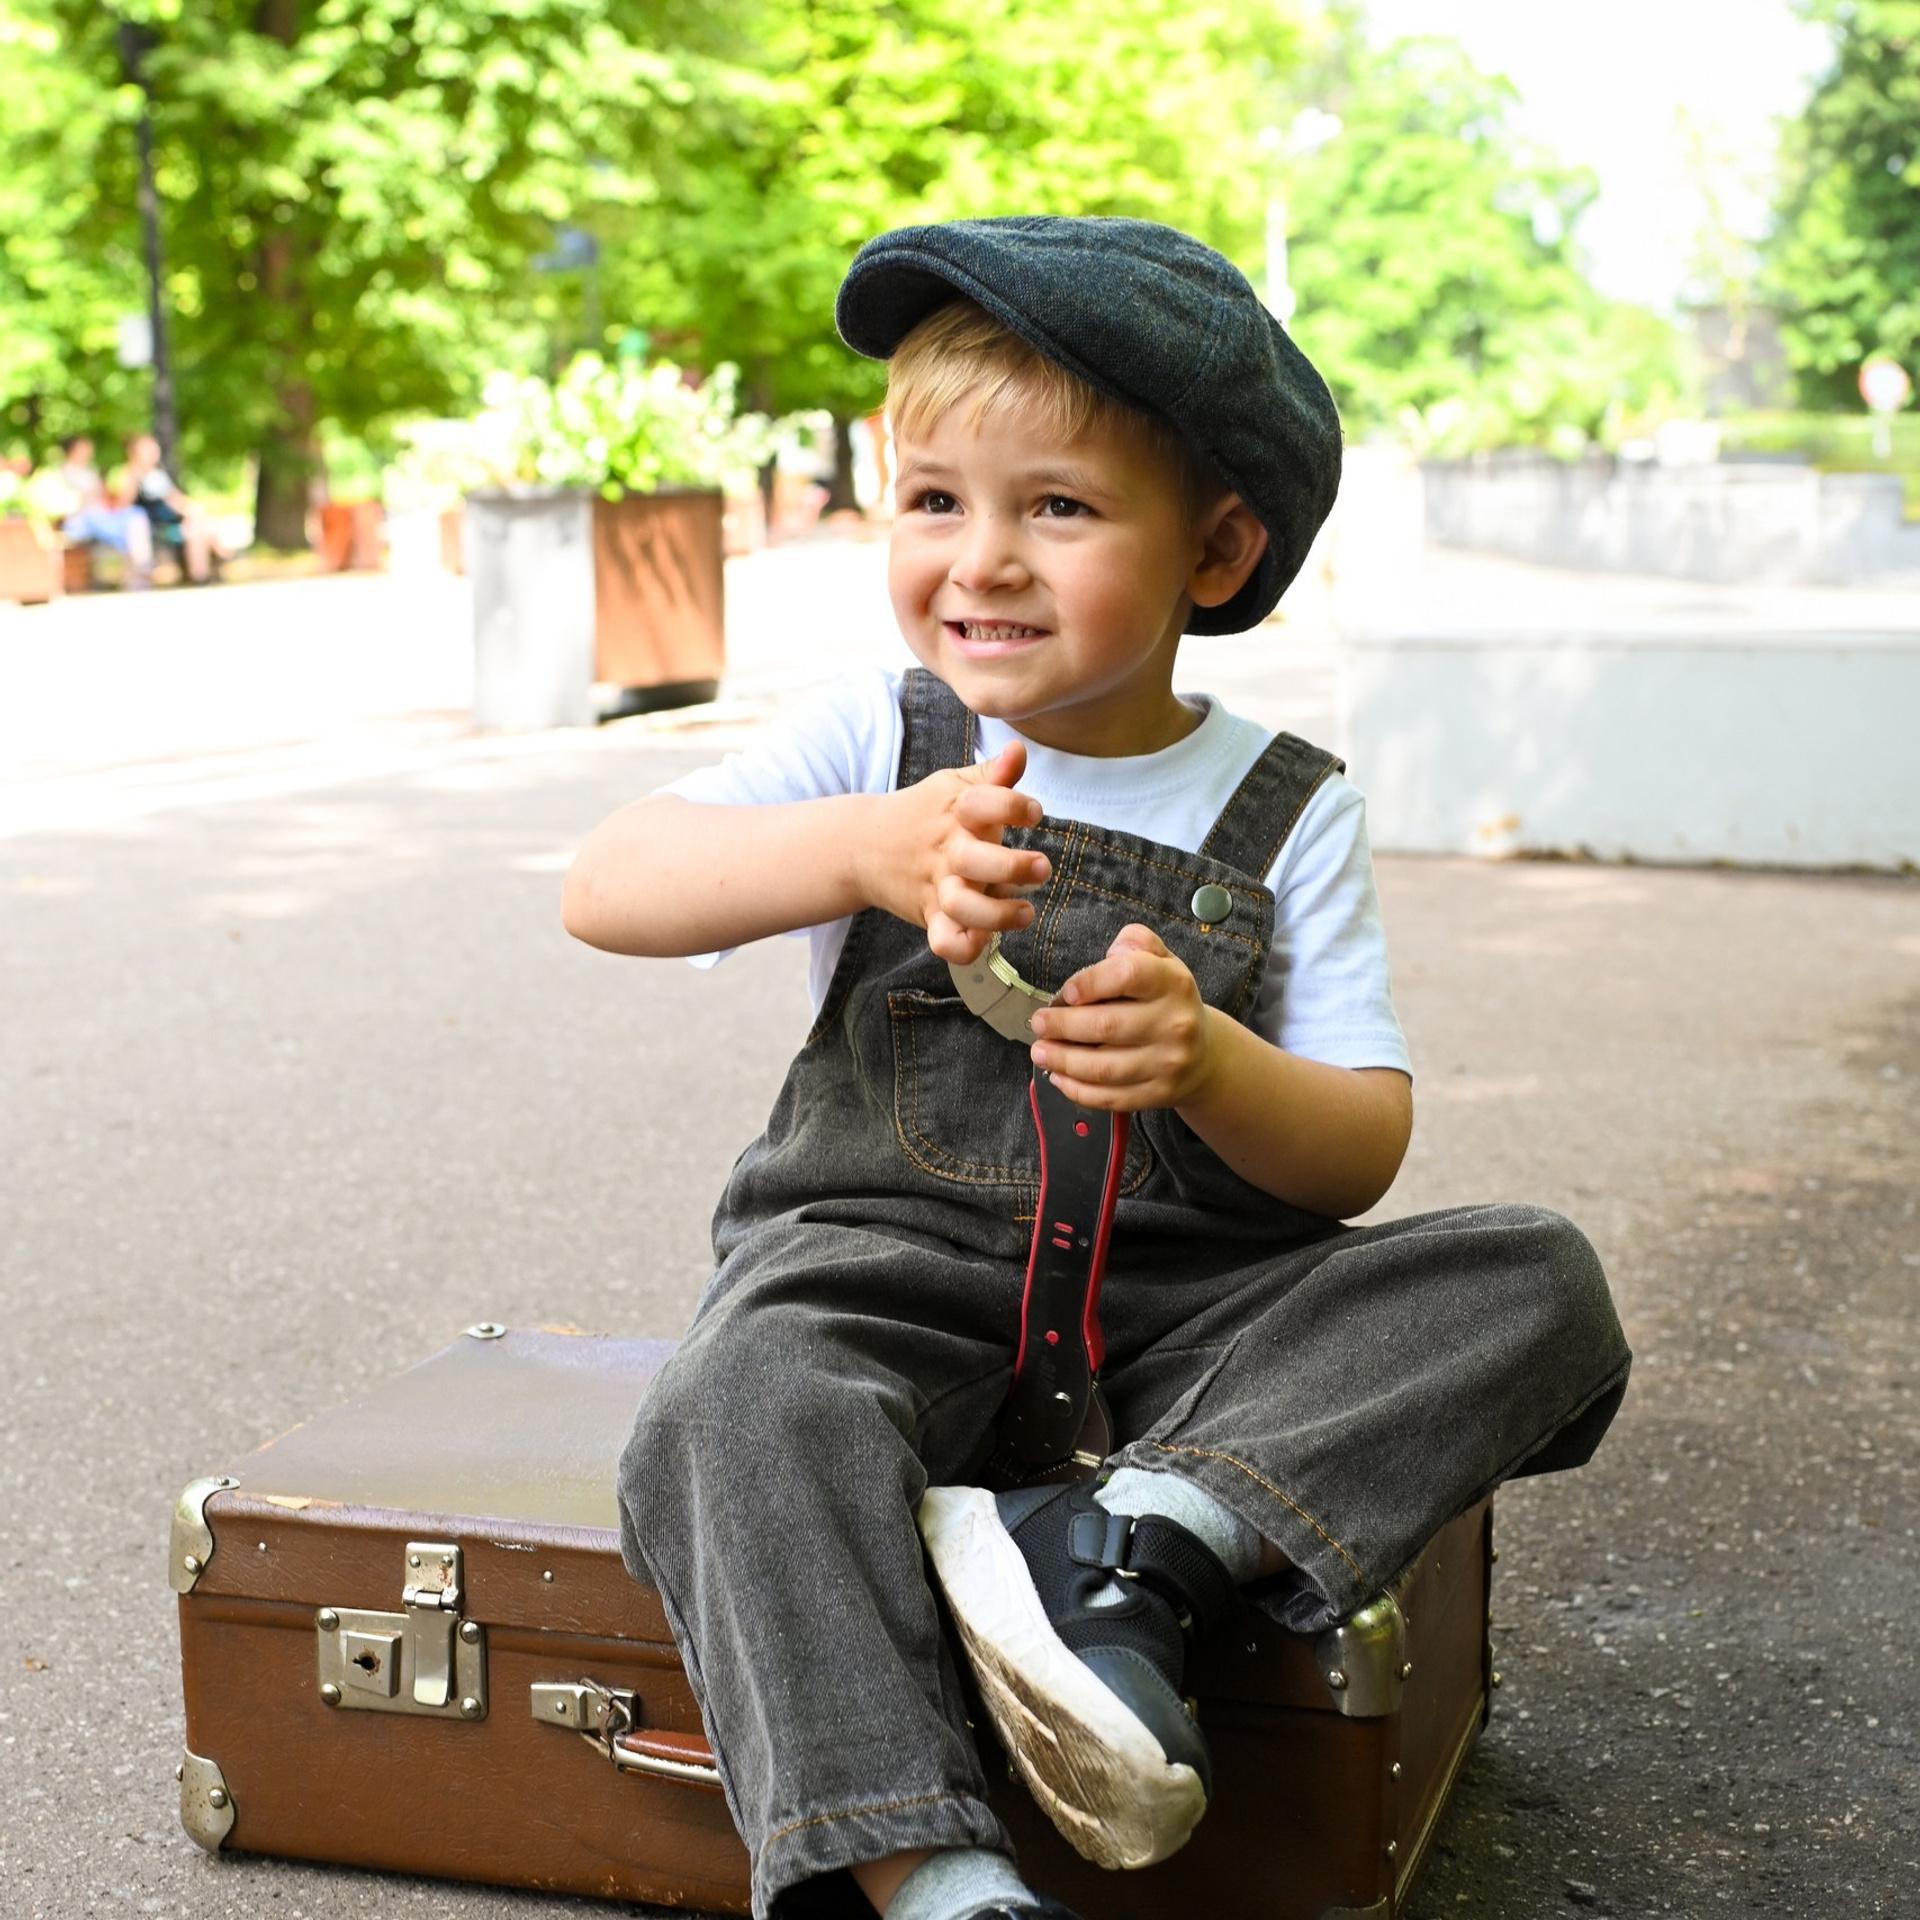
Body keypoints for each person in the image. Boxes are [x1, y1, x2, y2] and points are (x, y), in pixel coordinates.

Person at [563, 217, 1631, 1920]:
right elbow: (606, 884)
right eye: (934, 502)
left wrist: (1210, 1060)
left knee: (1540, 1283)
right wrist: (858, 852)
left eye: (1057, 507)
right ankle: (928, 1873)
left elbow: (1358, 1152)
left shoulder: (1286, 808)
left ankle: (1137, 1546)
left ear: (1215, 550)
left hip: (1185, 1325)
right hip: (881, 1286)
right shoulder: (879, 741)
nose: (980, 561)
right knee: (732, 1407)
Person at [42, 435, 155, 584]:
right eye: (85, 447)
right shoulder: (63, 473)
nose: (90, 451)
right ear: (73, 450)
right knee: (134, 519)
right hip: (81, 519)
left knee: (135, 515)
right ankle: (140, 566)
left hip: (100, 514)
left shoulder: (89, 471)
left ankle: (141, 566)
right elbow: (67, 502)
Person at [122, 432, 221, 583]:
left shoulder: (158, 475)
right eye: (147, 448)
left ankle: (202, 573)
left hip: (174, 521)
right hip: (157, 526)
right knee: (197, 530)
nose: (153, 452)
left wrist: (194, 511)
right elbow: (125, 503)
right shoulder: (133, 474)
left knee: (198, 526)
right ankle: (202, 574)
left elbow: (177, 500)